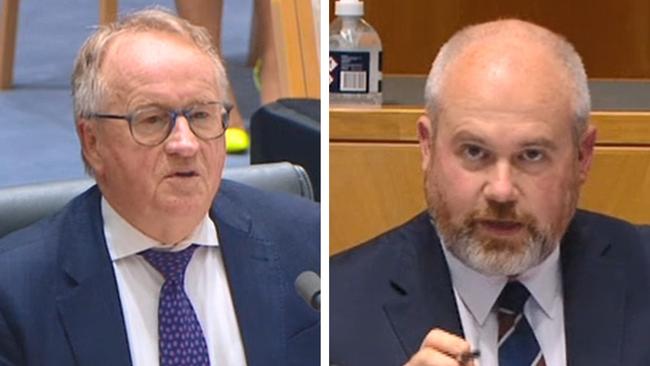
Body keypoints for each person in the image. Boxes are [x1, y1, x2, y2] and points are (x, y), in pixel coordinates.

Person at [0, 8, 319, 366]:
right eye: (152, 120)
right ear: (92, 141)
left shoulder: (307, 246)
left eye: (200, 115)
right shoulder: (15, 295)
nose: (185, 144)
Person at [330, 19, 650, 366]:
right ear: (427, 146)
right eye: (474, 152)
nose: (501, 191)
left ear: (582, 156)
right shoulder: (337, 311)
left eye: (532, 155)